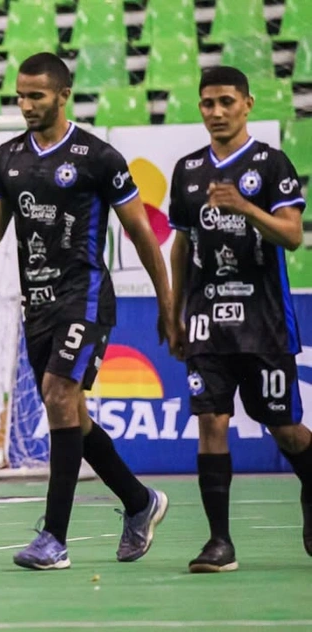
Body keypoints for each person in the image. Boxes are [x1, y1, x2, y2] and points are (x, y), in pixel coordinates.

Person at [0, 52, 178, 570]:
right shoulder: (8, 157)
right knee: (70, 414)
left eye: (36, 96)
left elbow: (141, 233)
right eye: (20, 96)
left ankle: (54, 539)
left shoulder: (99, 157)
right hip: (38, 304)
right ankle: (140, 501)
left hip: (84, 295)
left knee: (59, 392)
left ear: (63, 95)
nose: (26, 105)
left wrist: (167, 301)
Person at [168, 66, 312, 573]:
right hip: (206, 319)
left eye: (226, 101)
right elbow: (181, 245)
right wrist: (174, 310)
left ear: (247, 104)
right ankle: (219, 543)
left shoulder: (271, 165)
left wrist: (245, 208)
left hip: (263, 321)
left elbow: (292, 236)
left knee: (285, 428)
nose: (217, 112)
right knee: (211, 420)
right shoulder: (187, 170)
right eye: (208, 103)